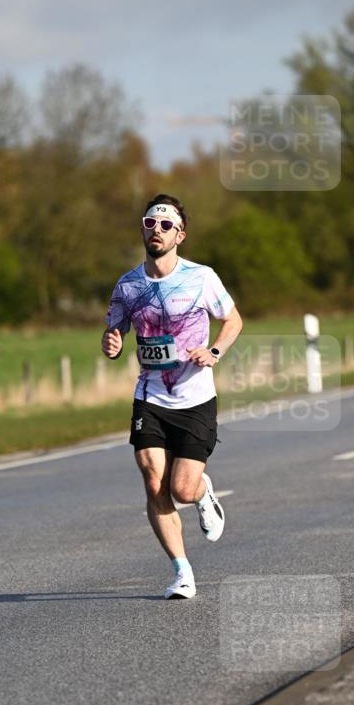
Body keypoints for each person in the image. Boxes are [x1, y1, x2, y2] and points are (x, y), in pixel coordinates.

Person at [101, 194, 243, 599]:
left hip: (195, 397)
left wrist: (214, 352)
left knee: (182, 489)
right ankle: (182, 571)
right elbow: (113, 333)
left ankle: (202, 492)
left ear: (180, 234)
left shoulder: (201, 277)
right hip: (150, 397)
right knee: (152, 481)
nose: (156, 230)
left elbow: (232, 320)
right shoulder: (128, 285)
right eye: (150, 223)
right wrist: (111, 343)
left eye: (165, 225)